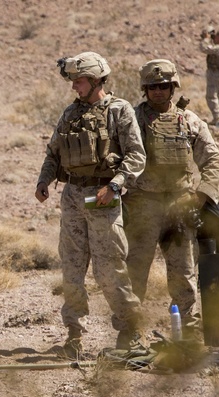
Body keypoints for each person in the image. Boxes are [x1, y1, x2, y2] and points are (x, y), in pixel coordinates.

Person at [34, 51, 146, 356]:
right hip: (72, 196)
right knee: (71, 268)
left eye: (79, 81)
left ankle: (129, 331)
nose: (74, 87)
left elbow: (136, 156)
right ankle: (74, 335)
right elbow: (53, 153)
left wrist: (115, 185)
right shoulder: (70, 113)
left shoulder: (119, 111)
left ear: (96, 80)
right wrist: (43, 180)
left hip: (102, 197)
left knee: (109, 269)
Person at [125, 59, 219, 335]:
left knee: (183, 273)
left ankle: (187, 329)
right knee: (135, 271)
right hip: (141, 205)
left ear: (173, 87)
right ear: (145, 89)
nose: (158, 91)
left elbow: (212, 160)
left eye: (164, 86)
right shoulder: (130, 120)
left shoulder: (189, 121)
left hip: (178, 206)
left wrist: (202, 196)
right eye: (153, 87)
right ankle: (130, 332)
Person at [199, 26, 219, 128]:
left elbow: (204, 48)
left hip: (214, 74)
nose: (213, 38)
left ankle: (217, 119)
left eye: (215, 36)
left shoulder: (218, 48)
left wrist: (205, 38)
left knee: (211, 96)